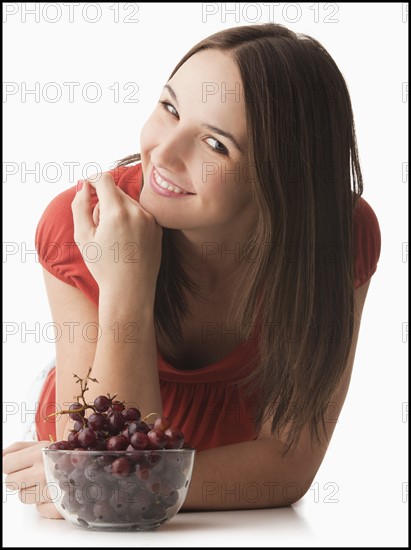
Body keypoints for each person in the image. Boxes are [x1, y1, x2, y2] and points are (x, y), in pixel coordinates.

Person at [3, 22, 381, 518]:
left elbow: (287, 465)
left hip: (227, 456)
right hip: (95, 394)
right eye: (170, 108)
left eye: (216, 144)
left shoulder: (336, 237)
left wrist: (119, 482)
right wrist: (127, 283)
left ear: (283, 181)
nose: (163, 152)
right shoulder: (83, 222)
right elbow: (98, 471)